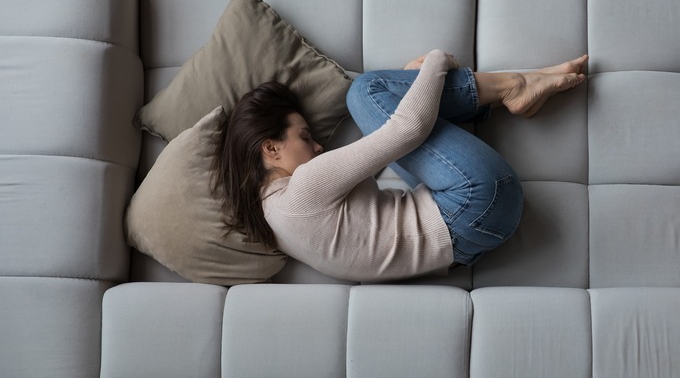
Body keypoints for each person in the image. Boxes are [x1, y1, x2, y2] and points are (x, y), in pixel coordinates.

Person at [213, 50, 588, 282]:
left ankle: (517, 86)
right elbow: (406, 130)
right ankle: (516, 83)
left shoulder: (271, 219)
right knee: (366, 91)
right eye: (304, 136)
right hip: (478, 201)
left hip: (465, 246)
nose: (318, 145)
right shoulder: (306, 185)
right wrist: (439, 61)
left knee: (389, 106)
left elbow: (376, 157)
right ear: (271, 149)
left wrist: (414, 91)